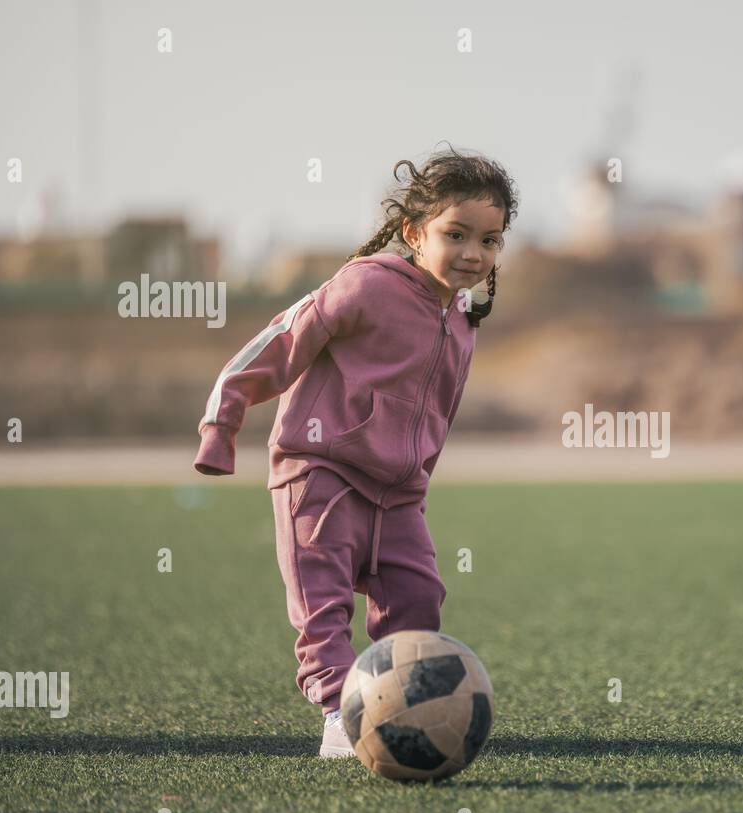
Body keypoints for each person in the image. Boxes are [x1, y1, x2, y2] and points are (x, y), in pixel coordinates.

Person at [192, 146, 518, 757]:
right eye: (457, 234)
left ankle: (406, 712)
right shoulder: (364, 285)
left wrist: (416, 480)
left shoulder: (465, 319)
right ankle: (344, 719)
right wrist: (222, 424)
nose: (474, 252)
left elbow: (435, 415)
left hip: (398, 497)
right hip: (319, 474)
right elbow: (279, 344)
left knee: (420, 601)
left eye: (491, 240)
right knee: (324, 609)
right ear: (413, 232)